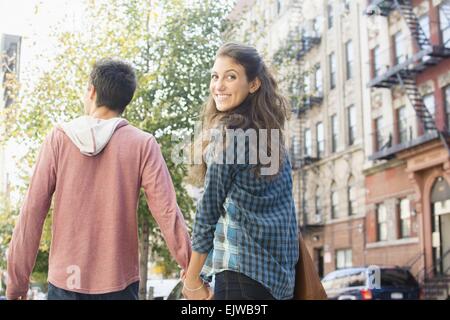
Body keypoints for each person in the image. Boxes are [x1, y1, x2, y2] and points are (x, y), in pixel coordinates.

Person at [6, 58, 192, 300]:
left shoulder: (59, 139)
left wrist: (16, 283)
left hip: (66, 282)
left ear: (91, 91)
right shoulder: (142, 143)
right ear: (126, 100)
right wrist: (191, 266)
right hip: (118, 283)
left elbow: (32, 212)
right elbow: (167, 211)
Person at [182, 42, 299, 300]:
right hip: (279, 282)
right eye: (215, 77)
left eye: (230, 77)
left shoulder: (230, 137)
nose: (218, 86)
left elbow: (207, 212)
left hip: (239, 276)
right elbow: (288, 216)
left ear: (253, 84)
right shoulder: (273, 141)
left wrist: (191, 280)